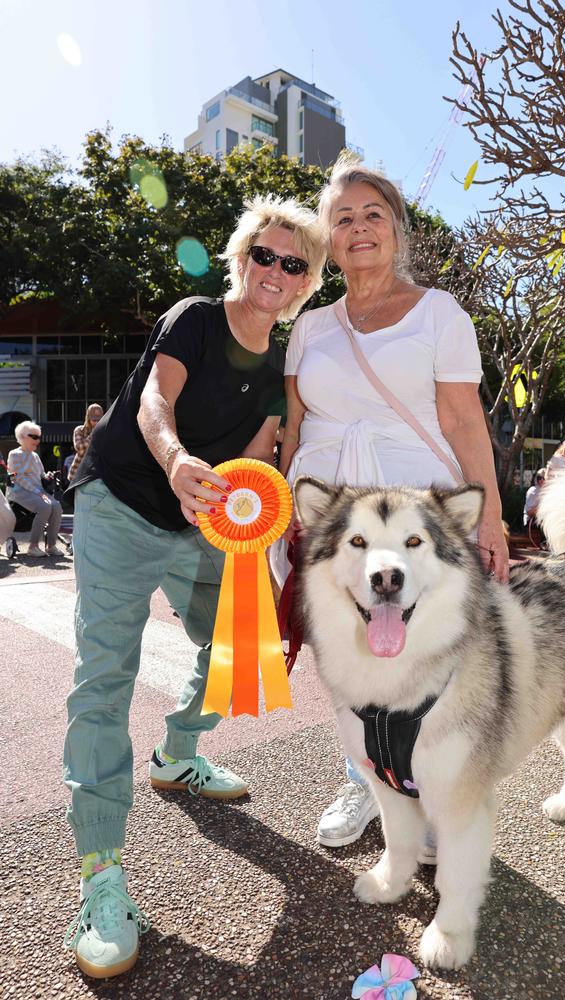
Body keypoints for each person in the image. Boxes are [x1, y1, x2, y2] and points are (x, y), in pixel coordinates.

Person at [62, 195, 326, 979]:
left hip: (202, 527)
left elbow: (253, 462)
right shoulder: (195, 317)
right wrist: (175, 459)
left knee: (242, 647)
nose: (275, 272)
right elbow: (153, 400)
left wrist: (268, 511)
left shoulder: (283, 371)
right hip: (122, 502)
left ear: (308, 281)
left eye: (294, 263)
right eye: (264, 255)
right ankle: (102, 877)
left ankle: (177, 753)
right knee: (103, 677)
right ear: (239, 257)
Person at [278, 157, 509, 853]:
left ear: (397, 229)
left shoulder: (440, 313)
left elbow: (466, 422)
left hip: (417, 521)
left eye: (372, 213)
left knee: (424, 657)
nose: (358, 227)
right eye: (342, 217)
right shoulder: (310, 328)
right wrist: (276, 509)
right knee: (349, 655)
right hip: (332, 524)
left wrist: (491, 515)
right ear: (329, 237)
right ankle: (366, 780)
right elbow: (293, 424)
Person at [6, 420, 63, 557]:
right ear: (23, 437)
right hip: (19, 493)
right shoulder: (14, 454)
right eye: (35, 437)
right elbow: (18, 478)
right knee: (45, 506)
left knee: (57, 506)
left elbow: (41, 474)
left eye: (39, 437)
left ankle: (51, 545)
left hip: (37, 492)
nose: (38, 440)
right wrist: (39, 492)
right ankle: (33, 546)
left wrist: (47, 475)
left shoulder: (35, 456)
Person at [68, 403, 104, 483]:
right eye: (94, 420)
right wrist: (95, 433)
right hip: (78, 475)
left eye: (99, 420)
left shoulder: (105, 432)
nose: (97, 423)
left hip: (97, 476)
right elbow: (80, 448)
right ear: (88, 418)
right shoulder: (79, 430)